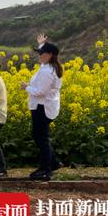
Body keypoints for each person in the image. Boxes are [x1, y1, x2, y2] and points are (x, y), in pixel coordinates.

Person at [21, 34, 63, 181]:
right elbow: (45, 54)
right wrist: (41, 45)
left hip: (42, 107)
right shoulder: (50, 66)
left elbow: (40, 92)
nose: (39, 55)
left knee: (41, 138)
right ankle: (54, 163)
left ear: (49, 55)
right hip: (44, 106)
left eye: (41, 53)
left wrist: (26, 87)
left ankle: (46, 169)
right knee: (39, 136)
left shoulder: (47, 71)